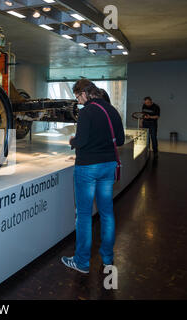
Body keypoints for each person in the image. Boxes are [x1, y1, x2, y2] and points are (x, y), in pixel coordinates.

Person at [61, 79, 125, 274]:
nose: (79, 102)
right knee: (106, 213)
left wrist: (74, 140)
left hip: (88, 168)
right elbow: (120, 140)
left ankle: (81, 261)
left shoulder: (87, 112)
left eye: (78, 97)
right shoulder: (112, 110)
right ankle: (107, 258)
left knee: (83, 215)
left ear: (84, 93)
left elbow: (83, 140)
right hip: (108, 166)